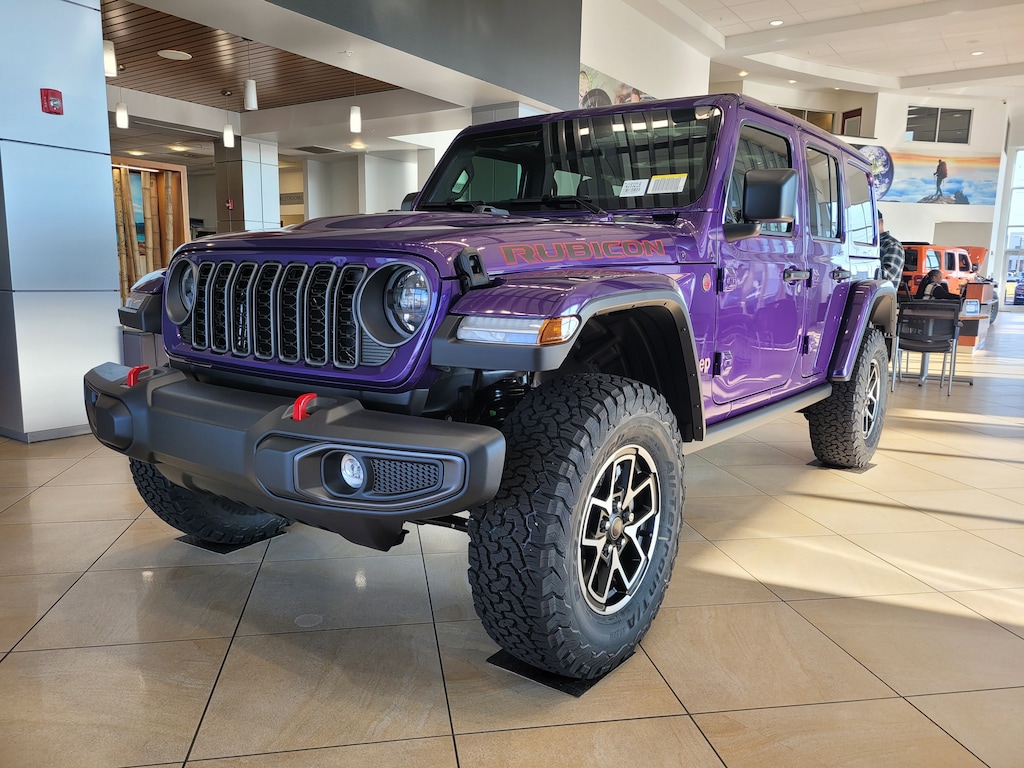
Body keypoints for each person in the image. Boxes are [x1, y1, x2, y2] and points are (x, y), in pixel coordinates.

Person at [877, 210, 905, 290]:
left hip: (879, 299)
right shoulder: (865, 243)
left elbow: (886, 278)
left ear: (879, 222)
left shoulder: (892, 245)